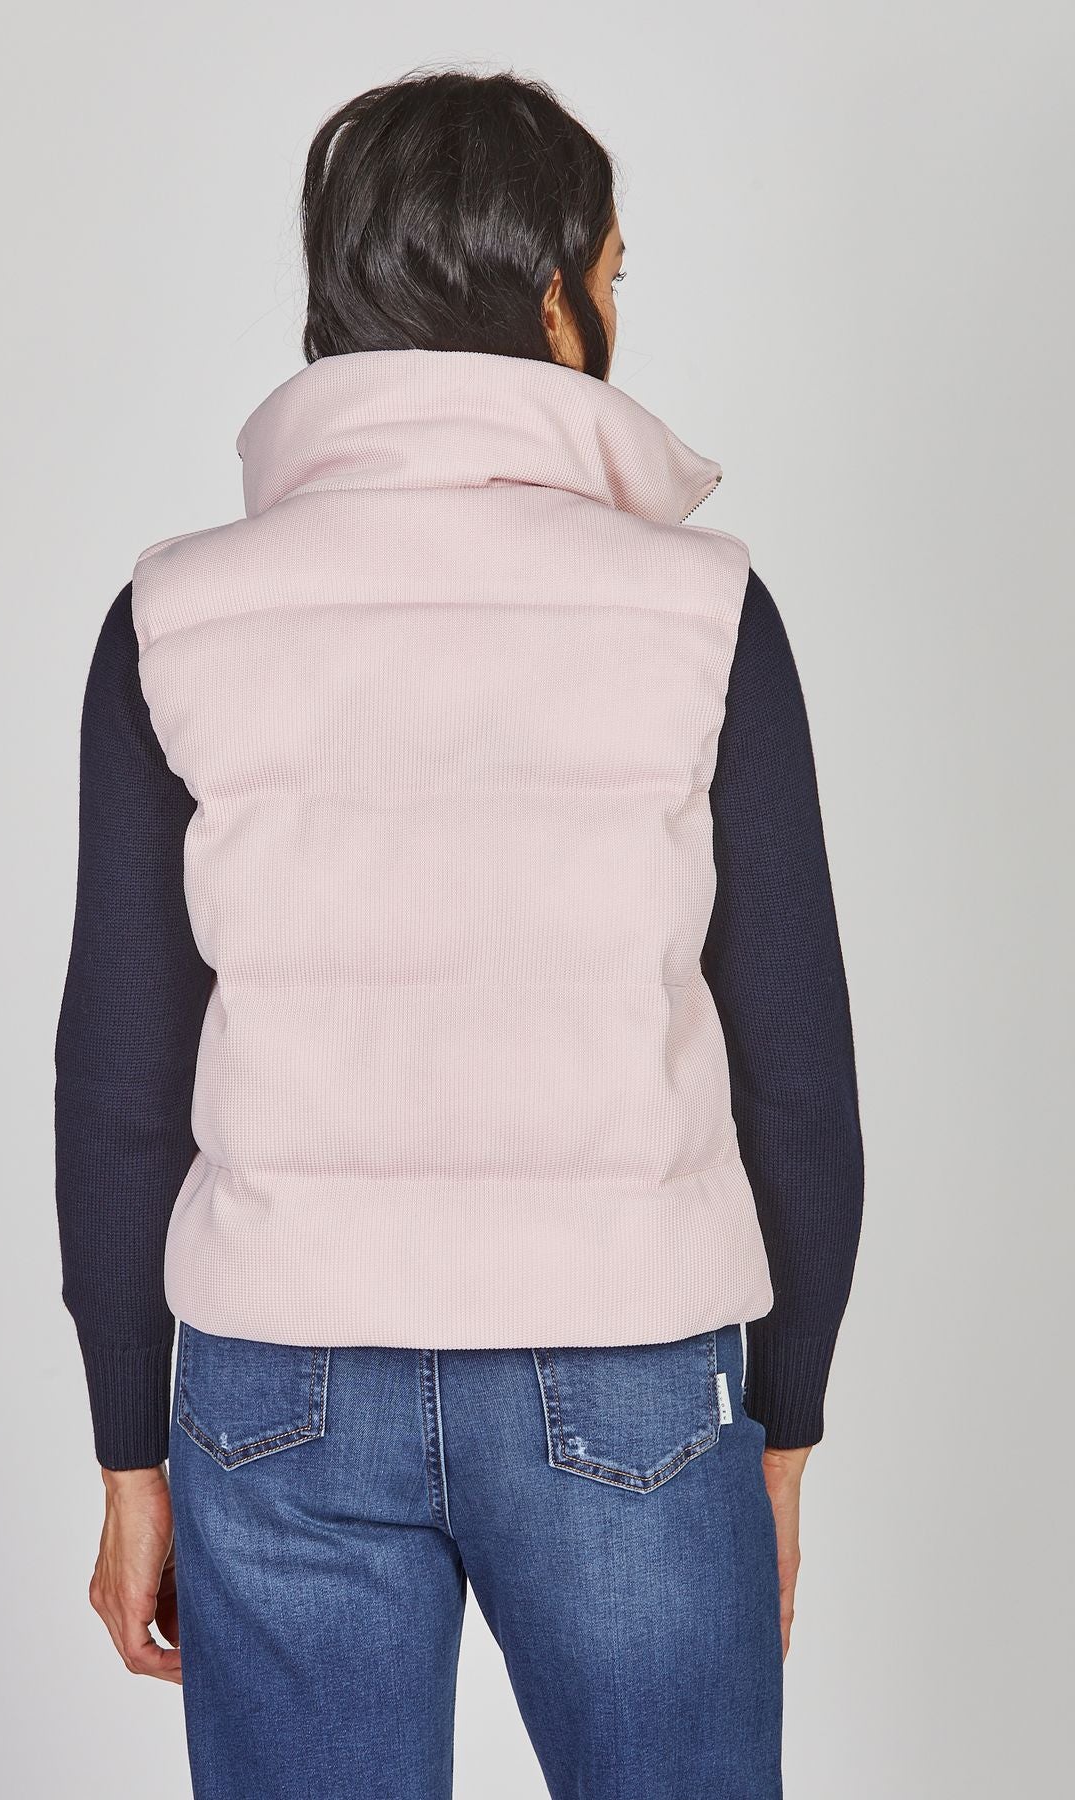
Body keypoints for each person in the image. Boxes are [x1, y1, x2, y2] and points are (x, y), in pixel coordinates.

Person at [55, 67, 864, 1800]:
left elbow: (118, 1081)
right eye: (617, 276)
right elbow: (797, 1070)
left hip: (274, 1389)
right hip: (631, 1375)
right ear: (551, 296)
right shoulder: (706, 612)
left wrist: (130, 1450)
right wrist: (784, 1424)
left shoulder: (174, 618)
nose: (619, 316)